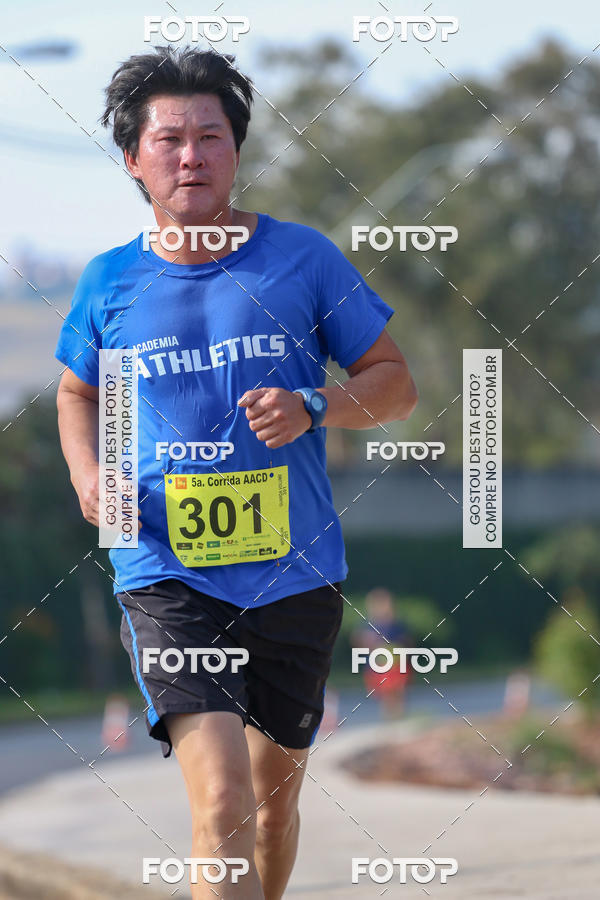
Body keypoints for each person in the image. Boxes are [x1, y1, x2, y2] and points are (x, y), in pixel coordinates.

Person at [54, 46, 418, 900]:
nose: (192, 157)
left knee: (273, 811)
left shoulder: (302, 260)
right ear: (135, 158)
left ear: (237, 151)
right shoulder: (108, 281)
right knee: (222, 802)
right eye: (170, 139)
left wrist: (317, 406)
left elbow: (396, 385)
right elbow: (77, 395)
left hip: (296, 573)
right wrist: (86, 473)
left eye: (210, 137)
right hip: (167, 570)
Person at [353, 587, 413, 719]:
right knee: (385, 692)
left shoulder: (397, 625)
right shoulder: (367, 625)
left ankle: (398, 713)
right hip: (377, 666)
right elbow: (358, 640)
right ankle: (390, 714)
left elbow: (407, 641)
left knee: (398, 689)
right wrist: (368, 642)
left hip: (397, 664)